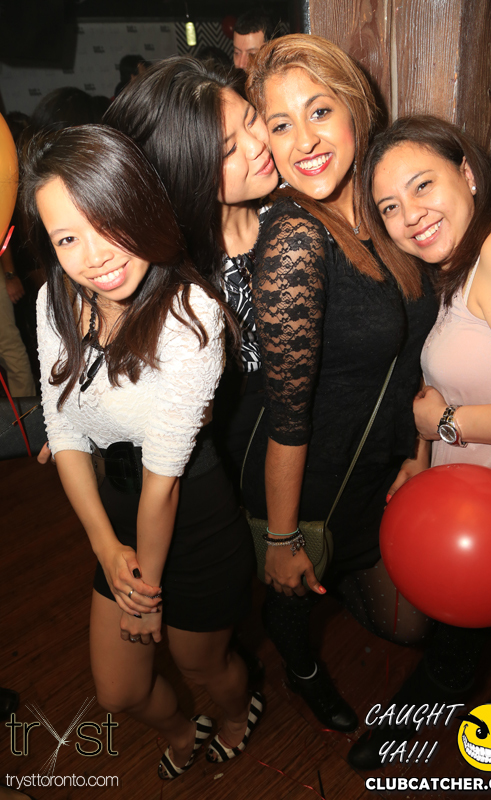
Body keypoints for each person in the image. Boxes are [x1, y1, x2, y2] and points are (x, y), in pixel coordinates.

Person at [22, 125, 262, 781]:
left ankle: (235, 712)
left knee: (201, 664)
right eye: (67, 238)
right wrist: (105, 546)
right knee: (119, 692)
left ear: (140, 204)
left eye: (107, 222)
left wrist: (145, 594)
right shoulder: (55, 300)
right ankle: (184, 727)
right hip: (118, 510)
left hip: (193, 513)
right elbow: (64, 431)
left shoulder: (190, 314)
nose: (94, 255)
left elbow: (166, 482)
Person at [242, 35, 439, 733]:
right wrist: (282, 537)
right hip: (310, 480)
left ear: (355, 107)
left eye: (319, 111)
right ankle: (298, 665)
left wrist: (417, 453)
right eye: (280, 124)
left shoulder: (387, 210)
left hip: (380, 466)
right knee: (292, 596)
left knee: (411, 625)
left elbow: (418, 355)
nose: (304, 141)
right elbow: (286, 415)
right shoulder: (296, 239)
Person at [348, 114, 491, 768]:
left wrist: (446, 425)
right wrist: (423, 453)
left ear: (469, 174)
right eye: (389, 207)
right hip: (486, 513)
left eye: (422, 185)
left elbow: (446, 408)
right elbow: (448, 380)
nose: (410, 215)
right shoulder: (455, 266)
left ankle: (395, 733)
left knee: (456, 647)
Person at [104, 56, 279, 490]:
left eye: (251, 119)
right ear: (186, 171)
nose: (257, 145)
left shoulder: (295, 214)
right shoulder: (172, 276)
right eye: (228, 149)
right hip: (228, 463)